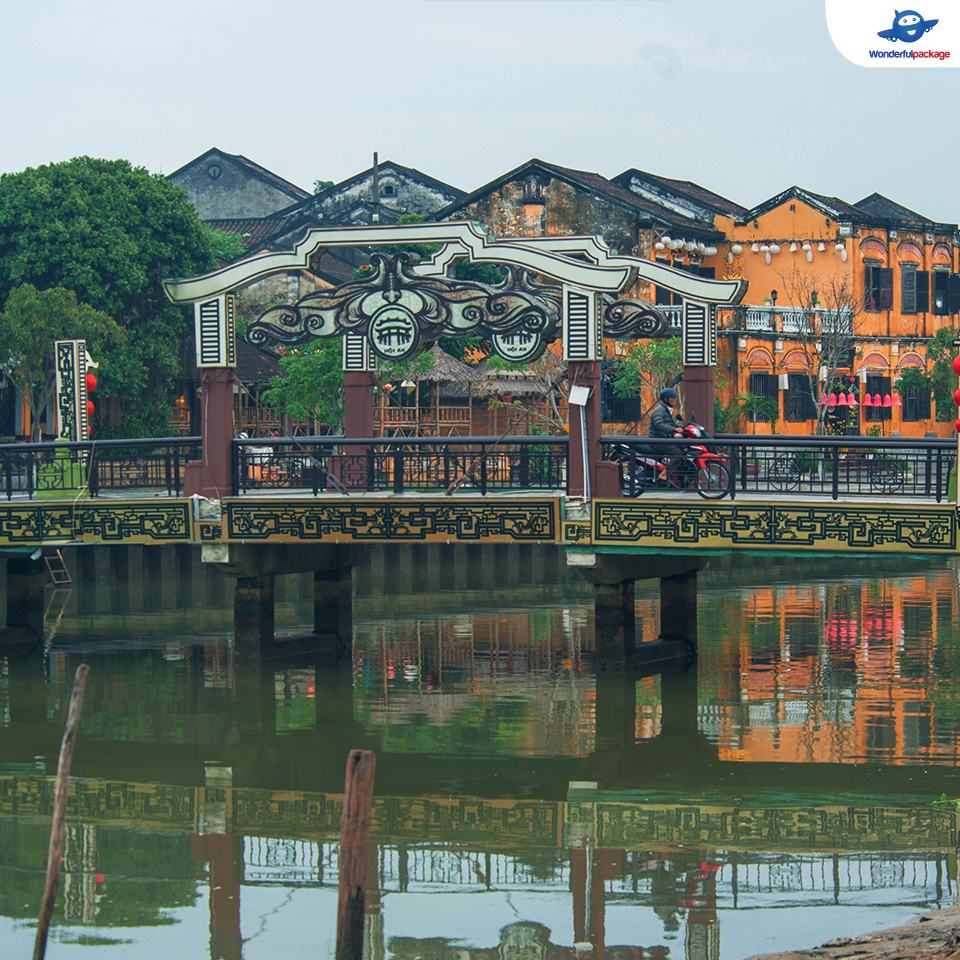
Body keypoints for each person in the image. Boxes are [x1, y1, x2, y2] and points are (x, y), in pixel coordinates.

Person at [649, 387, 691, 485]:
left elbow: (673, 424)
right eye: (673, 398)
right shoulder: (660, 410)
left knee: (684, 447)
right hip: (658, 440)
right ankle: (664, 474)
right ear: (666, 399)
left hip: (665, 439)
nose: (675, 400)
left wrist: (686, 428)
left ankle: (680, 477)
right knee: (678, 453)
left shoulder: (666, 410)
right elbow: (659, 425)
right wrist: (674, 430)